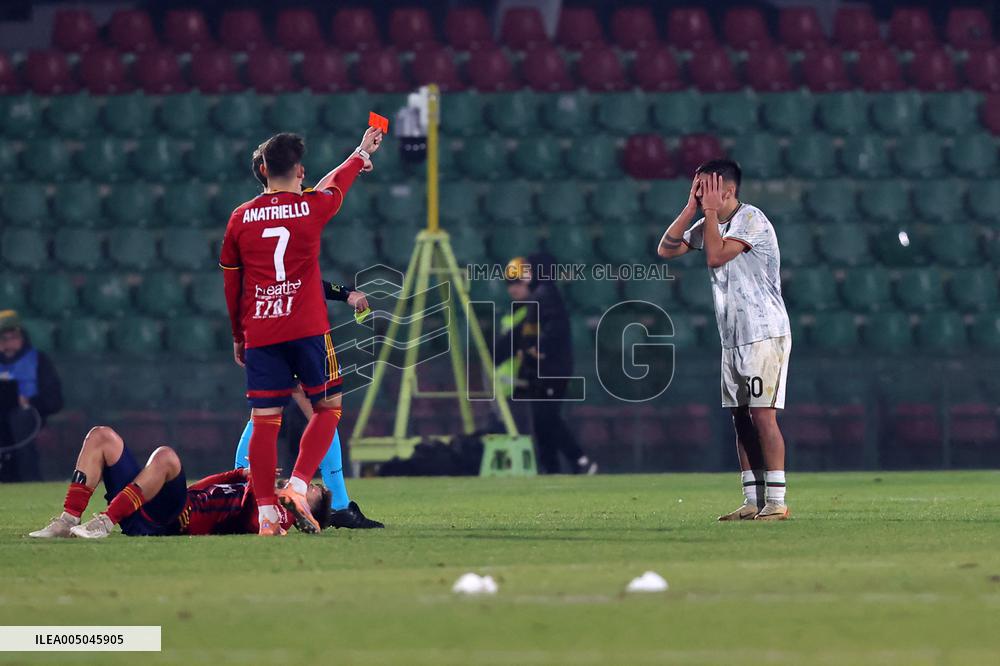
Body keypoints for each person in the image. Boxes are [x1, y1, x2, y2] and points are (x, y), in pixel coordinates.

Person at [220, 128, 382, 535]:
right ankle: (296, 485)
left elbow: (232, 286)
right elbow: (336, 184)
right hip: (307, 327)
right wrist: (360, 154)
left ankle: (266, 514)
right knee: (328, 408)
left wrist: (239, 334)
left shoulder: (240, 218)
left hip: (261, 329)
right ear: (300, 170)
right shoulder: (311, 208)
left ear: (262, 170)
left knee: (264, 420)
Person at [656, 160, 792, 521]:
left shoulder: (752, 220)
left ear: (726, 190)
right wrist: (690, 211)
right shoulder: (710, 223)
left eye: (702, 187)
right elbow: (666, 250)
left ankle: (776, 501)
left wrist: (710, 213)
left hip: (764, 332)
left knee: (763, 416)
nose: (698, 193)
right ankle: (752, 499)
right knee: (740, 418)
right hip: (732, 335)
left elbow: (715, 257)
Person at [28, 425, 331, 539]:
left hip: (174, 520)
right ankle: (67, 520)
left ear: (309, 511)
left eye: (312, 489)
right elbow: (211, 486)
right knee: (101, 437)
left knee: (167, 457)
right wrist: (241, 474)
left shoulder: (280, 515)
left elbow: (252, 520)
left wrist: (261, 483)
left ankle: (104, 522)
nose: (304, 484)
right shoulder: (268, 494)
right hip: (157, 507)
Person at [499, 255, 597, 475]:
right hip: (544, 370)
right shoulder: (541, 295)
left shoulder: (545, 295)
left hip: (550, 370)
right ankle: (553, 467)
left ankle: (578, 461)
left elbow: (555, 329)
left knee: (546, 418)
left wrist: (539, 348)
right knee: (542, 420)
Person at [0, 310, 63, 482]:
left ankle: (28, 479)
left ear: (22, 337)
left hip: (30, 418)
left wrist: (30, 402)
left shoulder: (38, 360)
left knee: (20, 419)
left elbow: (55, 400)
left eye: (12, 337)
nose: (8, 344)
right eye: (3, 339)